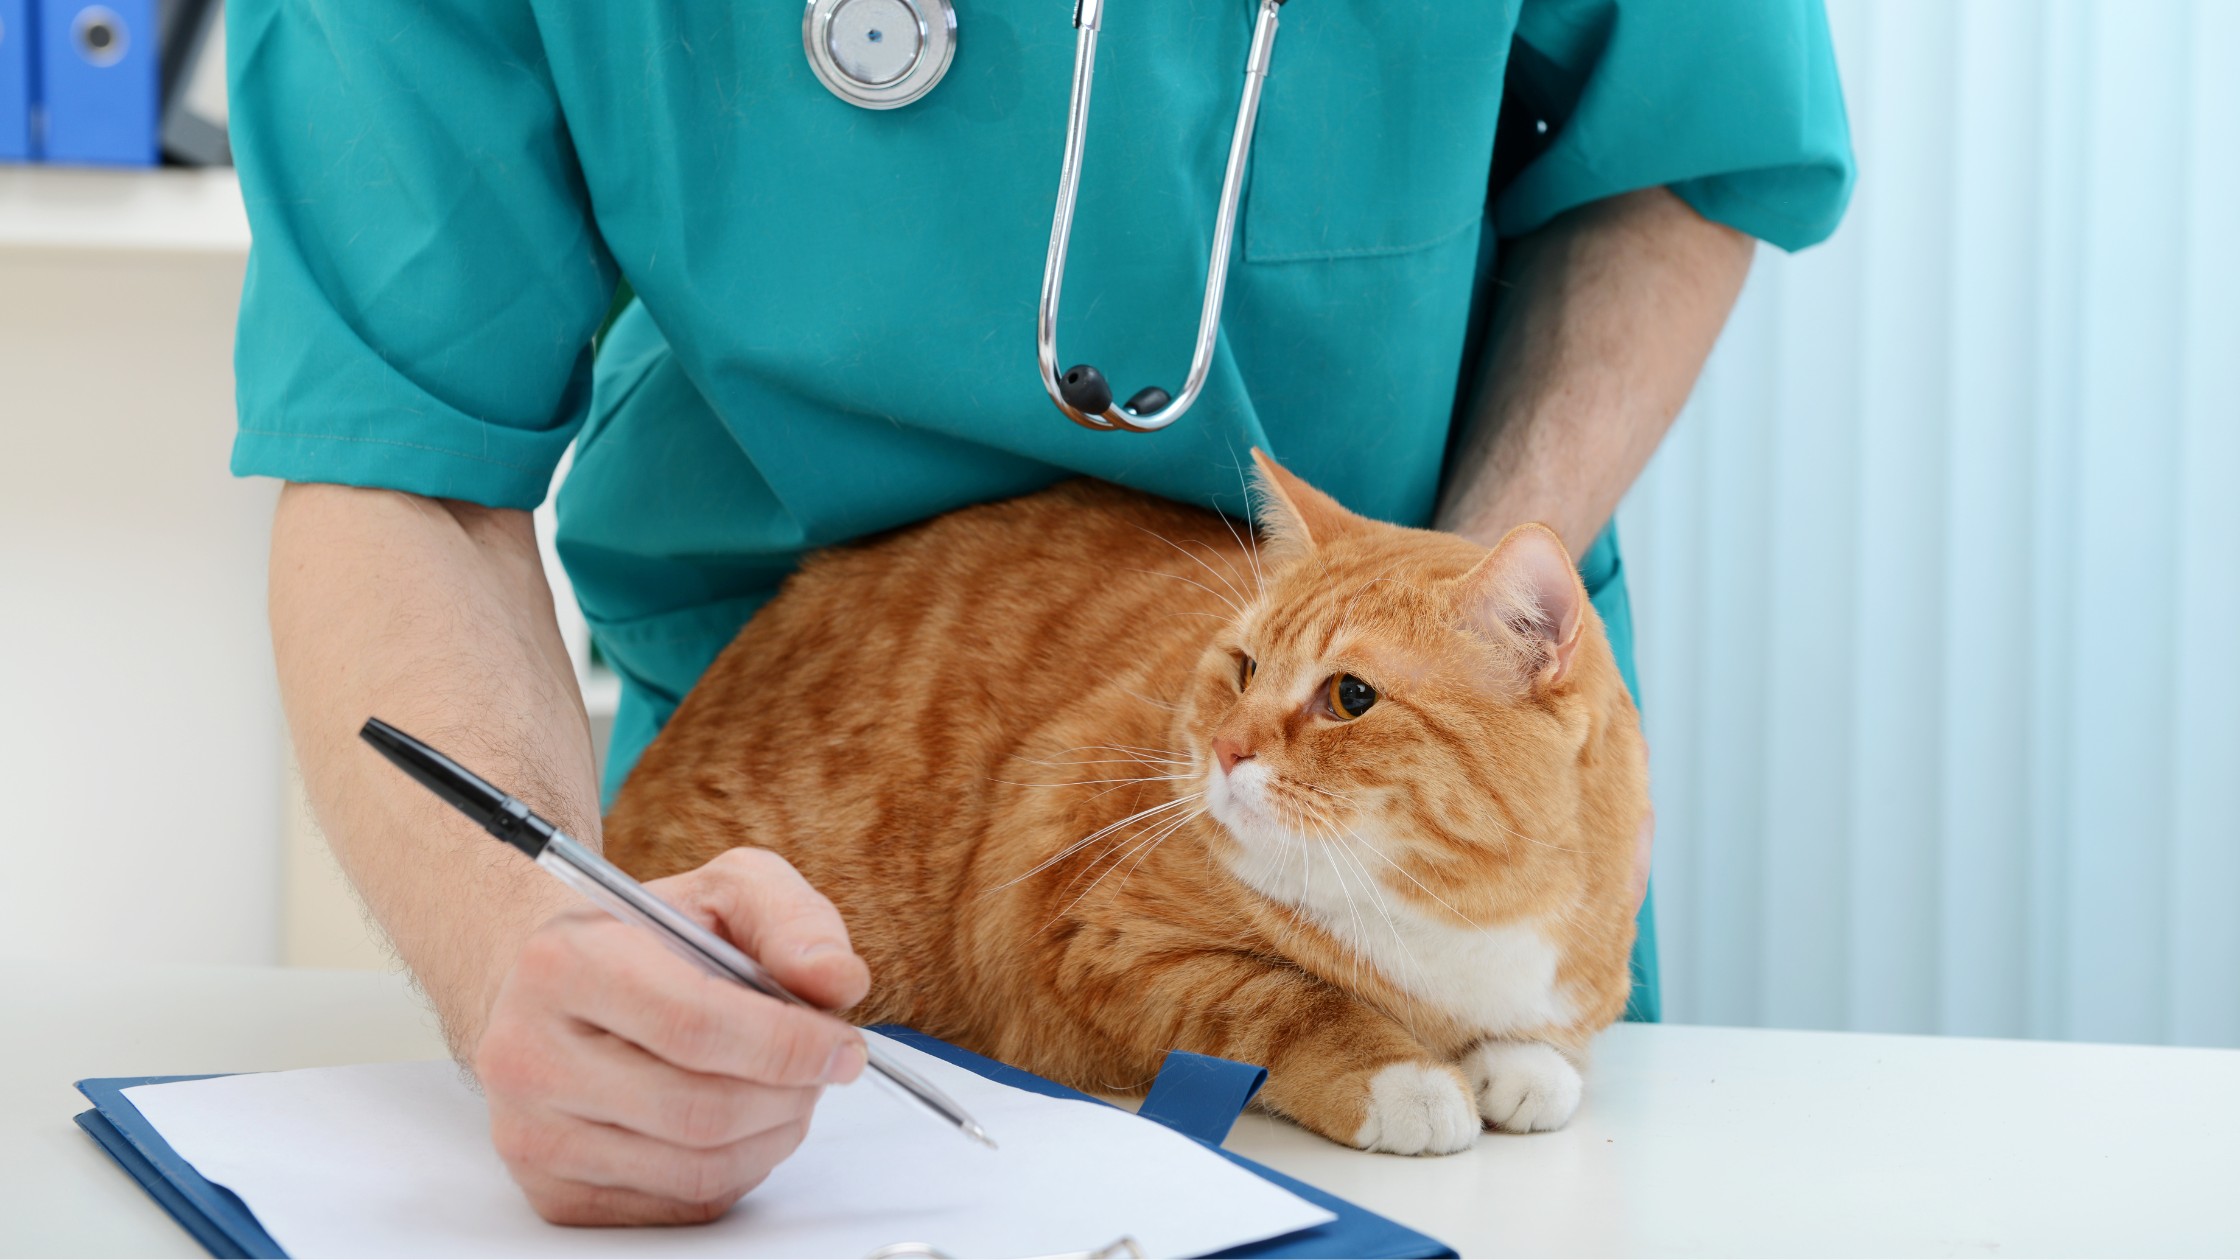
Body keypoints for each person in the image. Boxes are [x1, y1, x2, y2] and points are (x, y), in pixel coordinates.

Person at [231, 0, 1852, 1226]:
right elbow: (397, 444)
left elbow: (1680, 142)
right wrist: (526, 938)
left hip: (1425, 726)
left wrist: (1451, 609)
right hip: (810, 794)